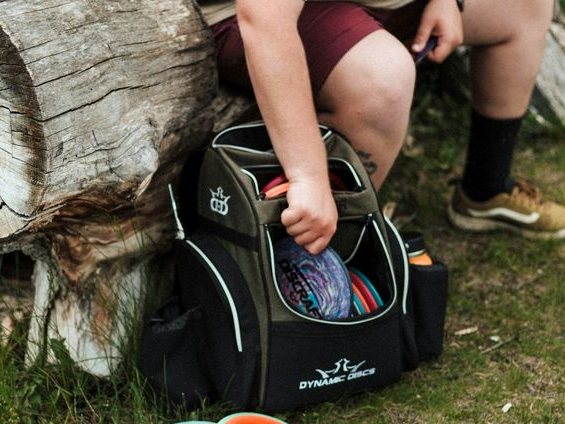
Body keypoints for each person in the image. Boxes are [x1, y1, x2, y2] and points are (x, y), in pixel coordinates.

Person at [199, 0, 565, 254]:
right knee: (382, 80)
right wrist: (307, 174)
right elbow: (265, 18)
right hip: (256, 16)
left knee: (522, 6)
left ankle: (485, 191)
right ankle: (315, 269)